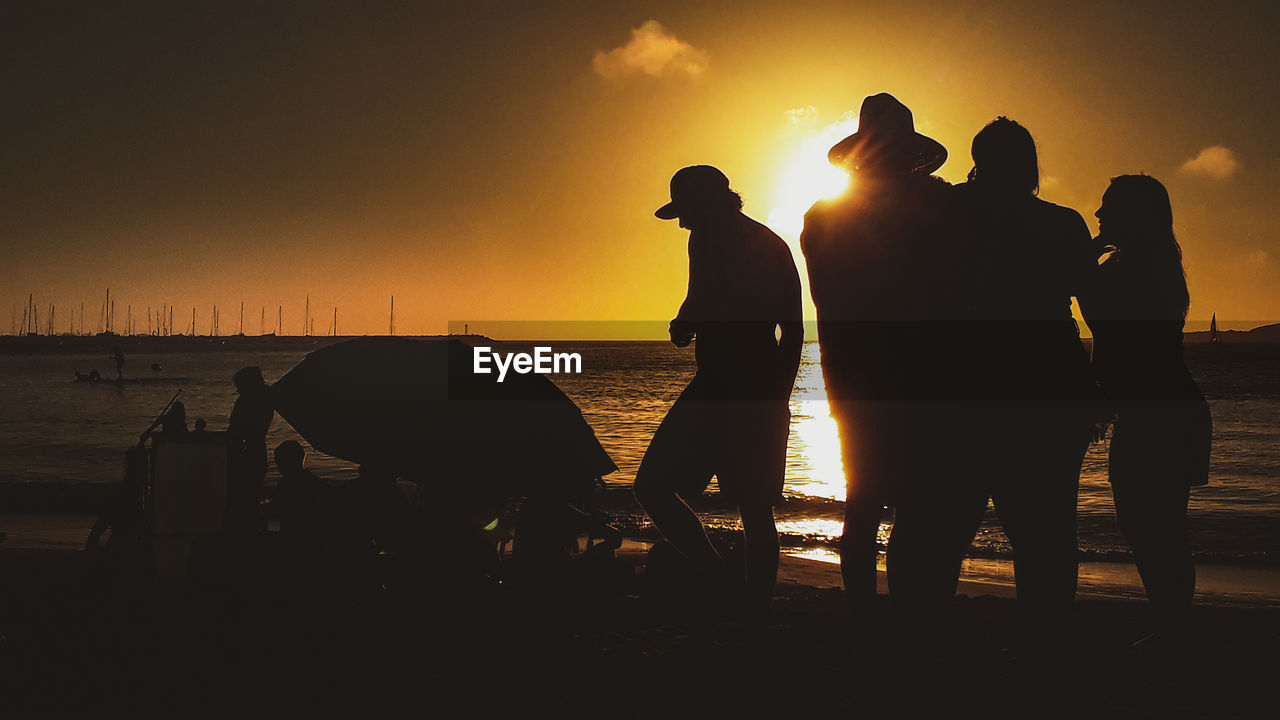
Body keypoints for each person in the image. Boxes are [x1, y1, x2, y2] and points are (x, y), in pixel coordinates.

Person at [799, 93, 959, 621]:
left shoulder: (826, 215)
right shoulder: (937, 206)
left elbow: (831, 299)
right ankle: (891, 612)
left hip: (865, 373)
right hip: (905, 373)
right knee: (896, 500)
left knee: (873, 500)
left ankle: (872, 613)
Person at [947, 118, 1098, 647]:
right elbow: (1097, 312)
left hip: (969, 385)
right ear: (1029, 164)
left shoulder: (948, 213)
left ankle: (928, 639)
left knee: (949, 521)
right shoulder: (1062, 223)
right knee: (1048, 525)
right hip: (1052, 384)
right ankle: (1047, 641)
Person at [634, 165, 803, 626]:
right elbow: (698, 297)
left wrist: (777, 397)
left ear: (707, 204)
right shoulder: (701, 239)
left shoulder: (767, 245)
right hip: (712, 385)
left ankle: (751, 608)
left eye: (686, 212)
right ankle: (727, 587)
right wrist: (683, 321)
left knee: (753, 506)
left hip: (753, 390)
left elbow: (792, 329)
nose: (682, 223)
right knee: (652, 486)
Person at [1078, 174, 1211, 647]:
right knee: (1158, 530)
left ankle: (1172, 630)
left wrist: (1083, 260)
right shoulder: (1147, 264)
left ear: (1134, 215)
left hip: (1159, 414)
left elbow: (1112, 333)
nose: (1098, 215)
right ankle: (1172, 626)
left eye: (1107, 206)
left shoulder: (1133, 269)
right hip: (1167, 410)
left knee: (1152, 530)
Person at [226, 366, 274, 532]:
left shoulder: (245, 402)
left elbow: (235, 429)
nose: (238, 390)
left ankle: (247, 531)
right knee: (252, 496)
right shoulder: (268, 398)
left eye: (239, 387)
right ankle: (256, 530)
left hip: (244, 453)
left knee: (242, 497)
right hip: (258, 452)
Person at [271, 440, 329, 543]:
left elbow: (279, 508)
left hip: (294, 537)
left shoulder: (285, 484)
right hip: (313, 536)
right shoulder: (313, 480)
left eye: (278, 461)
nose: (277, 465)